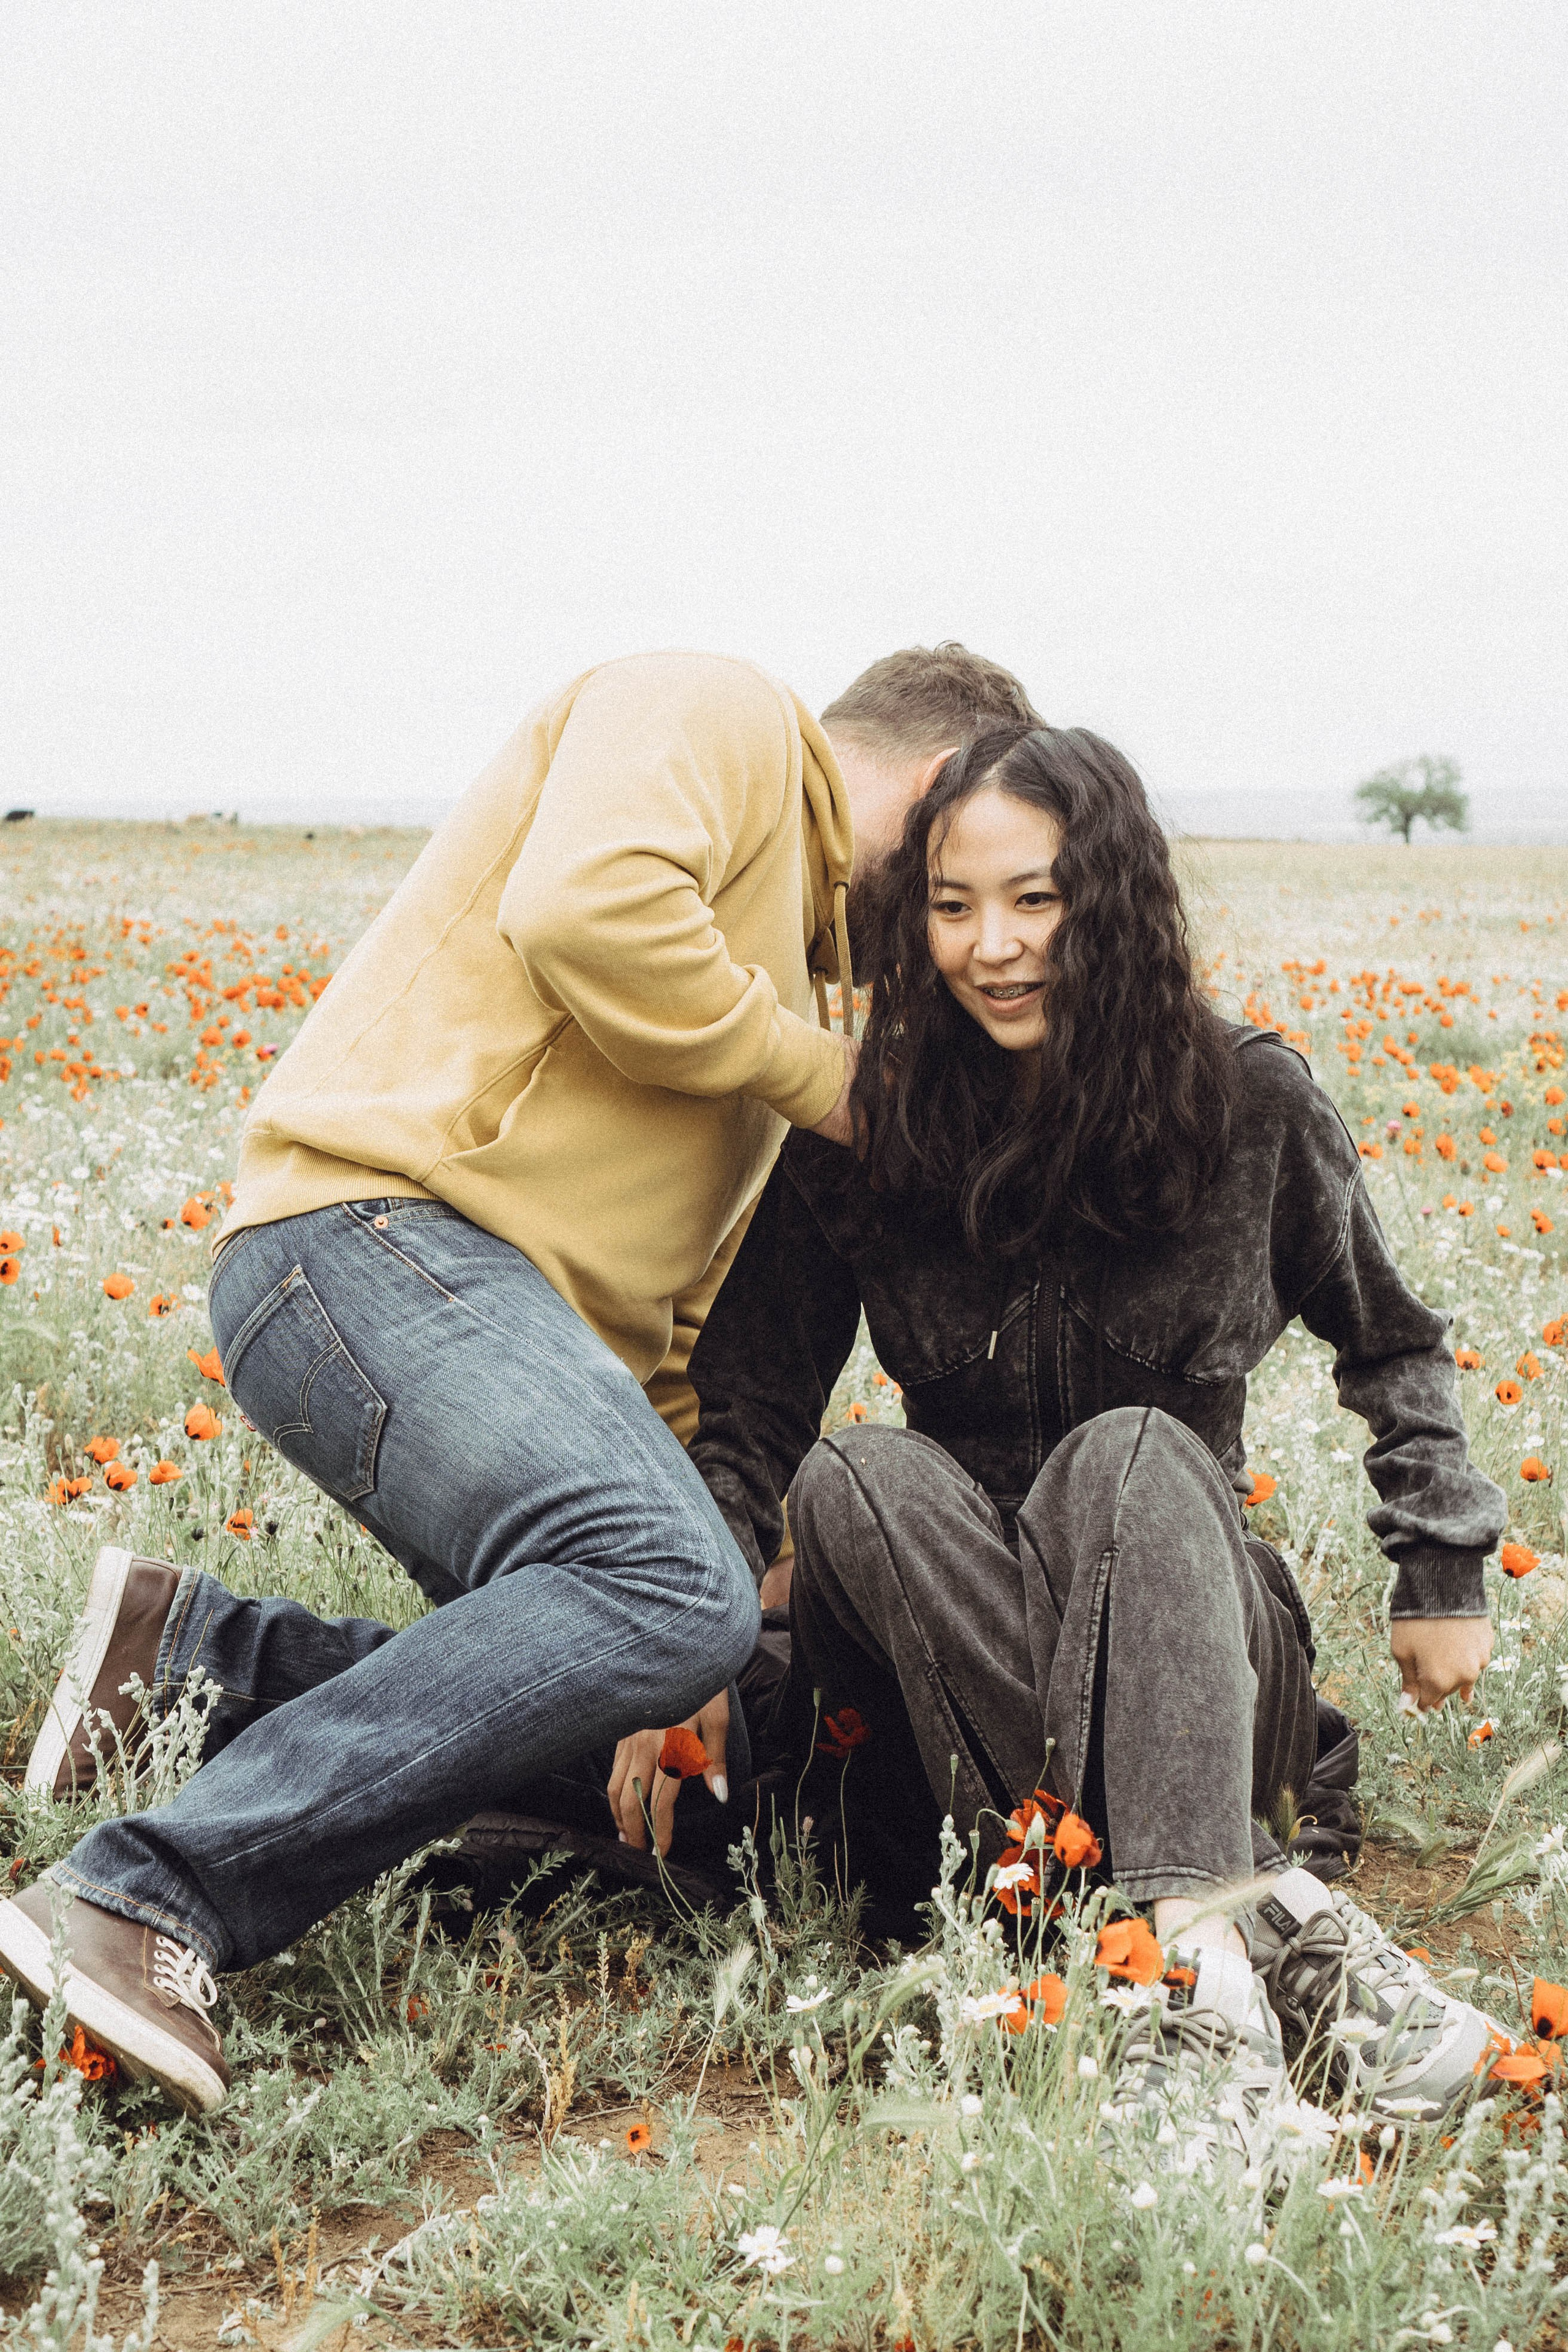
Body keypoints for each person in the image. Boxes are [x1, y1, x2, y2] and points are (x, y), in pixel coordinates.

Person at [2, 644, 1039, 2116]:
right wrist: (834, 1085)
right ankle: (146, 1897)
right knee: (670, 1592)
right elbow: (583, 907)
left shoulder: (785, 980)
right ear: (944, 794)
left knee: (715, 1687)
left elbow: (665, 1344)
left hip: (472, 1318)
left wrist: (716, 1616)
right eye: (959, 888)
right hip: (364, 1243)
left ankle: (189, 1671)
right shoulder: (726, 715)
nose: (955, 946)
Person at [683, 722, 1508, 2140]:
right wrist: (678, 1642)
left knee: (1125, 1458)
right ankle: (1261, 1930)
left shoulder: (1244, 1100)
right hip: (960, 1712)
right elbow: (749, 1415)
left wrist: (1437, 1568)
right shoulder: (867, 1132)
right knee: (851, 1475)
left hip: (1205, 1663)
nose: (990, 946)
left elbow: (1391, 1336)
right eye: (951, 906)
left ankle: (1185, 1977)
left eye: (1034, 899)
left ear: (1108, 900)